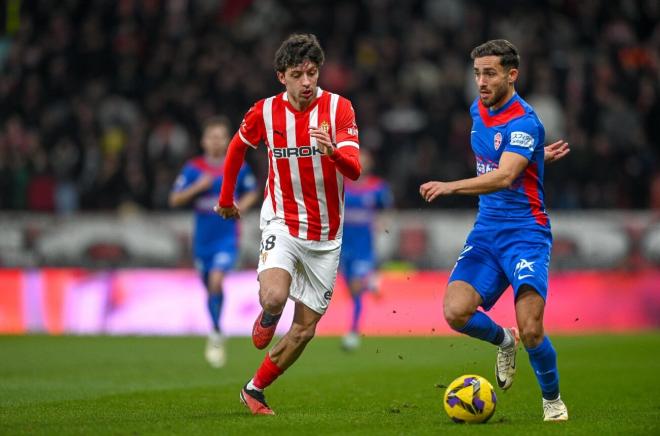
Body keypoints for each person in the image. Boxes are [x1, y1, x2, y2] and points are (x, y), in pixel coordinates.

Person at [419, 39, 570, 421]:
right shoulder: (478, 109)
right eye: (477, 74)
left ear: (511, 75)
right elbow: (503, 160)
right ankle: (504, 341)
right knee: (455, 312)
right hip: (487, 232)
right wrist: (535, 157)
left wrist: (451, 186)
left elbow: (504, 177)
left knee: (532, 329)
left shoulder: (525, 121)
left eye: (489, 73)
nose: (481, 82)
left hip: (525, 234)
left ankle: (552, 401)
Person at [214, 33, 361, 415]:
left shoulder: (339, 109)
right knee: (276, 297)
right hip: (282, 220)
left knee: (305, 331)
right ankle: (269, 313)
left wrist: (333, 153)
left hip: (327, 237)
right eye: (298, 74)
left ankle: (254, 389)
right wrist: (226, 198)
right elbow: (236, 148)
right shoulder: (264, 112)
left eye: (313, 73)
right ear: (282, 76)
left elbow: (355, 170)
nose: (308, 82)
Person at [169, 116, 258, 368]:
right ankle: (217, 329)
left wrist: (241, 205)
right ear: (204, 141)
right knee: (209, 286)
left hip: (227, 237)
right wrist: (197, 187)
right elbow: (174, 199)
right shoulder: (194, 168)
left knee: (217, 279)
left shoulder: (237, 164)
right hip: (202, 240)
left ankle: (217, 331)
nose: (216, 141)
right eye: (212, 136)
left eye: (221, 136)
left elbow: (253, 191)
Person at [339, 149, 393, 351]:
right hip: (344, 246)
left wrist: (382, 222)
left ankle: (353, 332)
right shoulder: (342, 183)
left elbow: (386, 209)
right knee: (351, 291)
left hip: (364, 248)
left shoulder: (377, 187)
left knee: (355, 287)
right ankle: (370, 284)